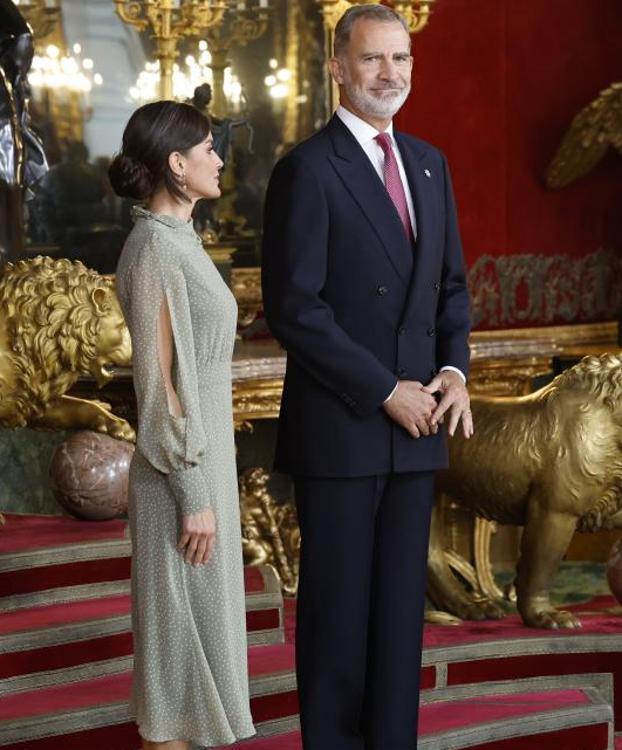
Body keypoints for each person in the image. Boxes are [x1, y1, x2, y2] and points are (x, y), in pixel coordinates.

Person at [261, 5, 472, 749]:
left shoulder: (428, 163)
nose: (392, 74)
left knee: (397, 630)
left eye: (403, 59)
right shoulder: (308, 169)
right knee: (339, 626)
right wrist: (386, 389)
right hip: (346, 431)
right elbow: (294, 307)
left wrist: (453, 370)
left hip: (419, 429)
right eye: (375, 60)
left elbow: (450, 288)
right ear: (339, 70)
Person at [109, 101, 255, 750]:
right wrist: (194, 494)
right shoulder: (152, 249)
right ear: (177, 163)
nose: (219, 159)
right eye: (207, 149)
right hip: (178, 484)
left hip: (203, 470)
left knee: (204, 652)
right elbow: (160, 383)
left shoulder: (181, 240)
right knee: (176, 670)